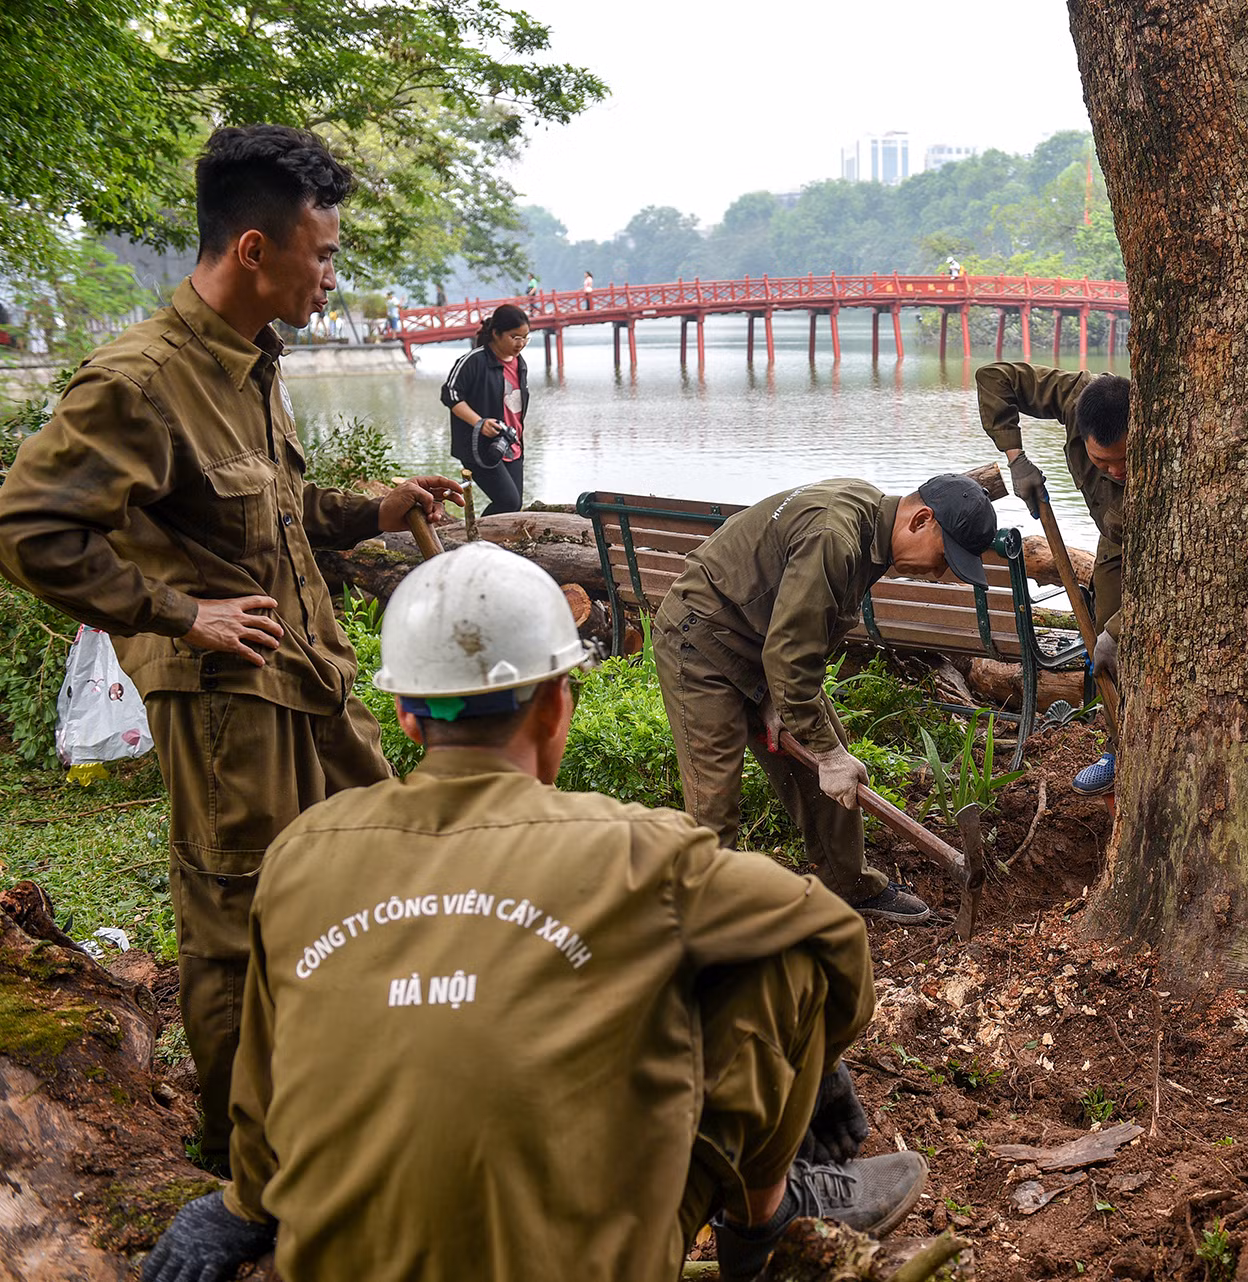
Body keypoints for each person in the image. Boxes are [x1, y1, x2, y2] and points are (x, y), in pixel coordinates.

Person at [138, 543, 926, 1282]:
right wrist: (817, 1064)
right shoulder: (642, 851)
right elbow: (831, 938)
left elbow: (262, 1069)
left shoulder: (303, 850)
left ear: (409, 718)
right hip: (591, 1259)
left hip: (338, 1256)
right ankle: (763, 1216)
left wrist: (243, 1205)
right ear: (558, 706)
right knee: (776, 956)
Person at [0, 124, 462, 1172]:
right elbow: (26, 529)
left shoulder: (253, 362)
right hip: (224, 703)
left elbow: (278, 507)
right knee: (239, 924)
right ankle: (234, 1165)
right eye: (326, 252)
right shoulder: (139, 379)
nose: (334, 274)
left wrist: (374, 509)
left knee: (378, 866)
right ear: (255, 249)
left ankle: (343, 1103)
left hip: (311, 675)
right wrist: (173, 611)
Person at [654, 474, 1000, 926]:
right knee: (715, 796)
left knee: (825, 754)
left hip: (756, 640)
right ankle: (705, 919)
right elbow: (792, 653)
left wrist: (781, 702)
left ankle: (850, 885)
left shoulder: (871, 524)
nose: (938, 573)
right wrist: (806, 723)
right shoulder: (835, 536)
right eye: (943, 557)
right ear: (921, 519)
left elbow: (807, 631)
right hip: (701, 640)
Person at [975, 361, 1129, 795]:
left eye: (1124, 461)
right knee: (1104, 641)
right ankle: (1119, 745)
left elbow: (1174, 574)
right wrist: (1016, 457)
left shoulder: (1168, 447)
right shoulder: (1078, 396)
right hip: (1115, 539)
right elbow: (994, 378)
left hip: (1160, 543)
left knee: (1118, 639)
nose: (1116, 472)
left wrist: (1120, 628)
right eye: (1102, 462)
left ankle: (1141, 743)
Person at [441, 303, 532, 515]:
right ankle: (476, 540)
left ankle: (488, 545)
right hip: (479, 446)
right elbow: (451, 395)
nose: (521, 343)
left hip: (512, 443)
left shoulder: (520, 363)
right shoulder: (474, 361)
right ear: (496, 334)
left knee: (512, 506)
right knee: (508, 501)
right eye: (514, 337)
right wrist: (479, 423)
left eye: (525, 337)